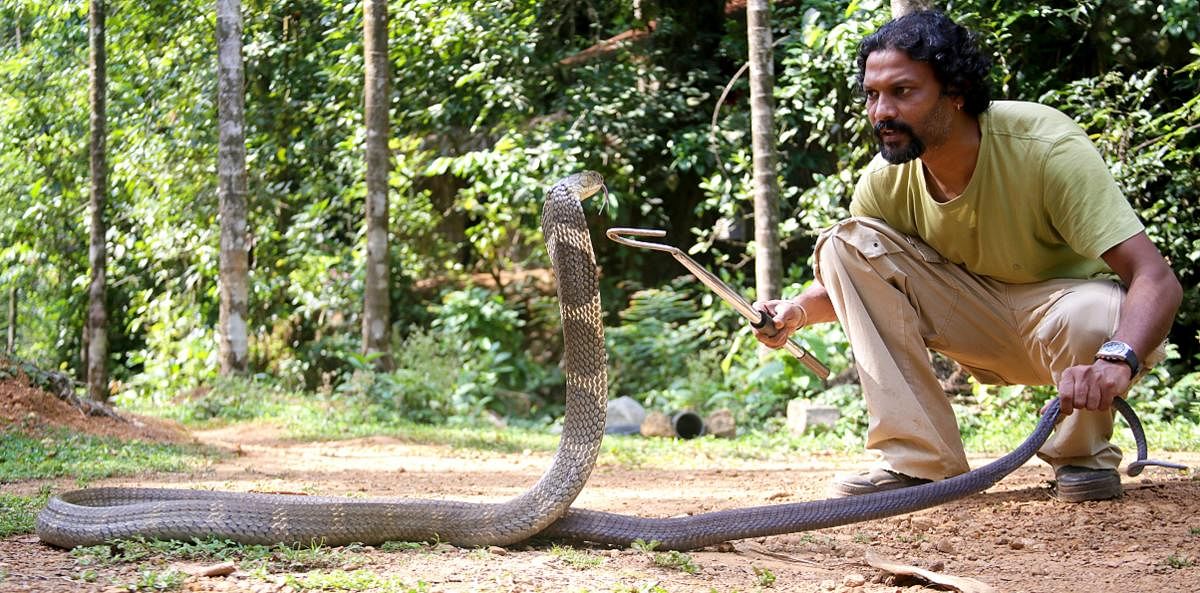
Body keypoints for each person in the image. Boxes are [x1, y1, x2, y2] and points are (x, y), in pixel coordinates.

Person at [752, 11, 1182, 502]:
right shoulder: (886, 178)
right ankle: (922, 463)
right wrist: (796, 311)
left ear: (955, 92)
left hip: (1065, 325)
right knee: (843, 243)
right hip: (972, 321)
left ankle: (1082, 456)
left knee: (1096, 311)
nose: (880, 112)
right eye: (872, 94)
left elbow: (1155, 277)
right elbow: (860, 280)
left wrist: (1118, 358)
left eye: (902, 91)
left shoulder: (1044, 145)